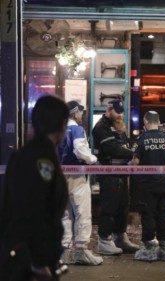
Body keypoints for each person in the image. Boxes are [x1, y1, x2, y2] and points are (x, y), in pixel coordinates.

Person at [0, 95, 69, 281]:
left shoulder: (27, 153)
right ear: (62, 124)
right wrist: (39, 263)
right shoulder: (42, 158)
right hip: (29, 262)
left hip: (21, 253)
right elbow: (33, 209)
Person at [92, 99, 139, 255]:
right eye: (118, 111)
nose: (121, 115)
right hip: (109, 173)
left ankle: (120, 237)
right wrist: (134, 153)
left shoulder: (118, 125)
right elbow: (113, 149)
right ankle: (104, 240)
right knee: (109, 207)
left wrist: (132, 150)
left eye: (122, 111)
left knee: (123, 206)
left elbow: (124, 145)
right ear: (109, 109)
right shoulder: (101, 127)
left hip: (122, 172)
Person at [58, 101, 103, 266]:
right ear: (75, 113)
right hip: (77, 176)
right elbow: (79, 149)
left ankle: (65, 252)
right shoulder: (77, 129)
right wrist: (93, 160)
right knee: (82, 212)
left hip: (59, 176)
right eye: (81, 112)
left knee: (65, 214)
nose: (82, 115)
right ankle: (81, 251)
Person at [132, 111, 165, 262]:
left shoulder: (141, 140)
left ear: (145, 123)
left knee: (148, 215)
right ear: (159, 121)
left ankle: (149, 250)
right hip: (164, 184)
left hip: (147, 185)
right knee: (164, 215)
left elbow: (136, 162)